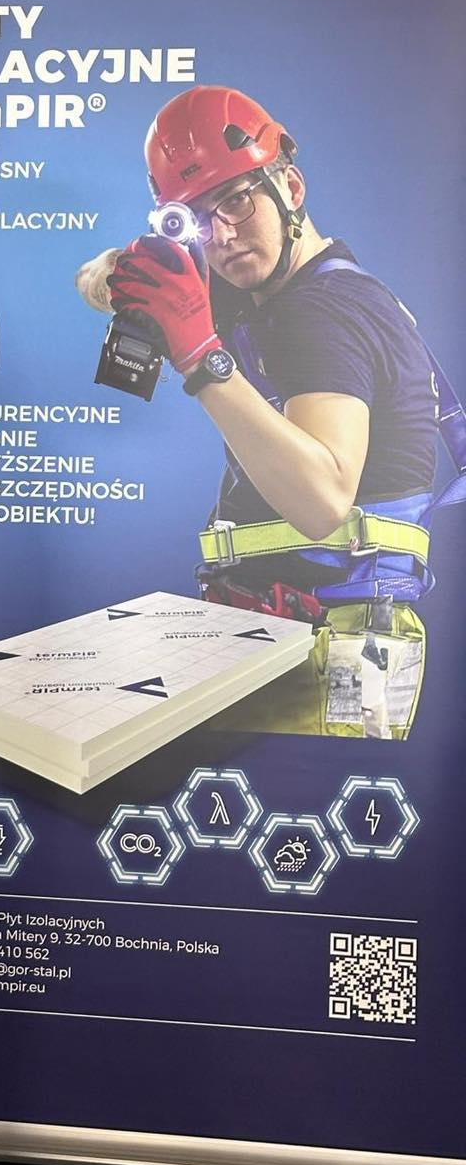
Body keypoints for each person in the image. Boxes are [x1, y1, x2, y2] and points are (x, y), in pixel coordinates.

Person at [77, 85, 451, 740]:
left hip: (338, 643)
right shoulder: (272, 294)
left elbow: (322, 501)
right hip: (287, 630)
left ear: (291, 188)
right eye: (196, 218)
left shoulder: (322, 313)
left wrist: (200, 356)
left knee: (312, 795)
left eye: (236, 200)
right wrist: (128, 269)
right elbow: (92, 285)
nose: (223, 234)